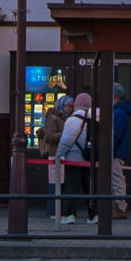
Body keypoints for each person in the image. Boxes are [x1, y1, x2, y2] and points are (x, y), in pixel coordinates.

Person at [54, 93, 93, 225]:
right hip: (92, 159)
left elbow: (66, 141)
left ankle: (69, 215)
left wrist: (58, 157)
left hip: (73, 159)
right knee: (91, 188)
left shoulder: (72, 120)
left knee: (71, 187)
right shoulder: (98, 118)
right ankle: (94, 216)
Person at [36, 102, 68, 223]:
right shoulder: (53, 118)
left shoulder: (61, 118)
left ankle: (56, 211)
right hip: (54, 155)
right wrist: (66, 134)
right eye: (68, 105)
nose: (70, 108)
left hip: (59, 155)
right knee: (54, 183)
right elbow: (49, 137)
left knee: (57, 183)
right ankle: (53, 211)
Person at [108, 82, 131, 220]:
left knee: (117, 179)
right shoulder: (122, 111)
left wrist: (108, 147)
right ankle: (118, 207)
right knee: (117, 178)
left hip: (115, 152)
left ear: (115, 96)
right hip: (118, 150)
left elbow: (115, 134)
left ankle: (120, 207)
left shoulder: (118, 112)